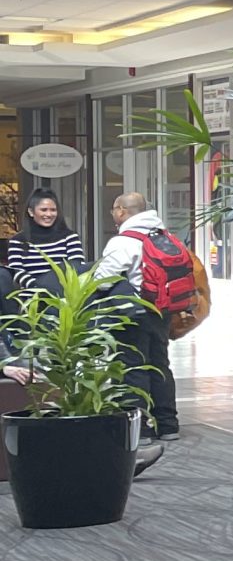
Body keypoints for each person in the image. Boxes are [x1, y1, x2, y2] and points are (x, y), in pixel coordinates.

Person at [96, 191, 189, 440]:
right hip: (163, 310)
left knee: (133, 367)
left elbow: (103, 279)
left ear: (121, 211)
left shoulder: (124, 240)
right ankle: (168, 425)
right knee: (160, 364)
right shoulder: (163, 234)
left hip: (134, 311)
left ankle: (143, 428)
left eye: (114, 209)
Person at [4, 188, 85, 325]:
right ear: (31, 212)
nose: (49, 214)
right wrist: (39, 288)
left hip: (64, 300)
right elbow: (16, 271)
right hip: (32, 302)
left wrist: (55, 289)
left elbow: (76, 265)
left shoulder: (69, 237)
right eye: (43, 210)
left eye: (53, 210)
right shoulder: (18, 240)